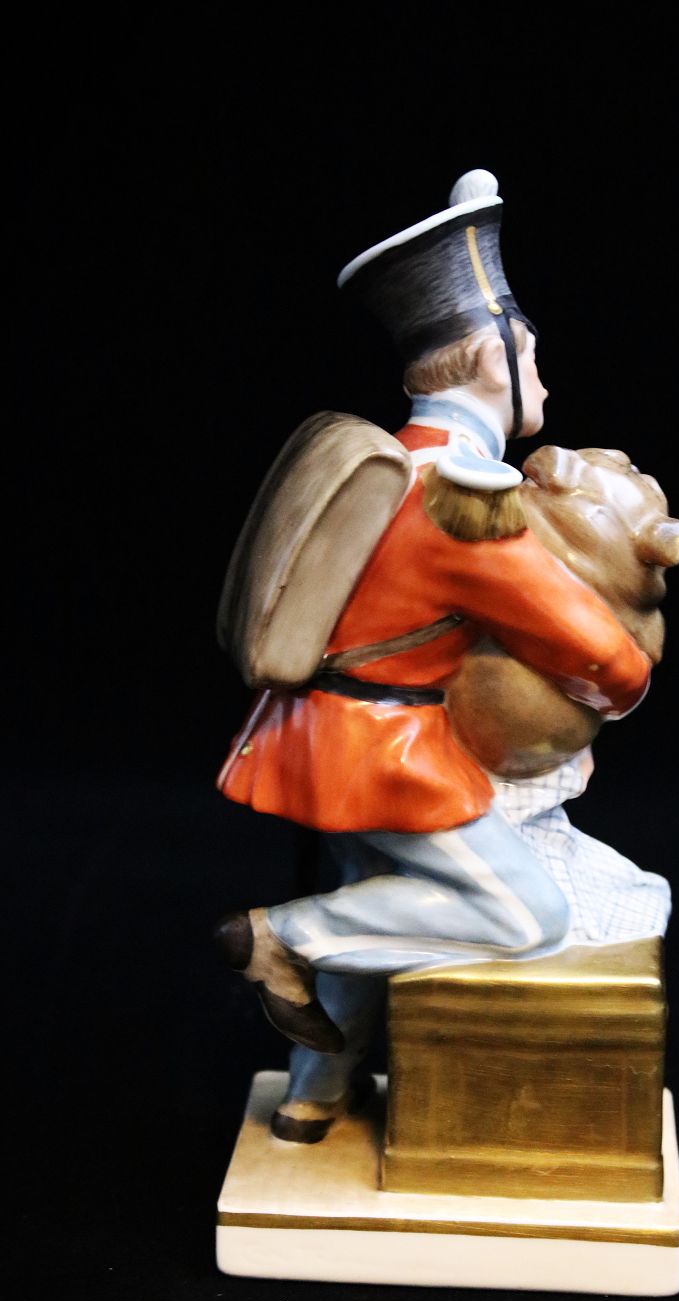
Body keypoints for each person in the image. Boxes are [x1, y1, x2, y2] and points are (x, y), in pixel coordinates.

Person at [215, 170, 654, 1140]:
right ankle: (277, 936)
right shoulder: (463, 498)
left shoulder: (392, 455)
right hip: (384, 753)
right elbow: (598, 655)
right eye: (529, 352)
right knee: (526, 916)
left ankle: (312, 1098)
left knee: (376, 904)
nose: (541, 372)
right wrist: (624, 677)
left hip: (307, 737)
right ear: (491, 362)